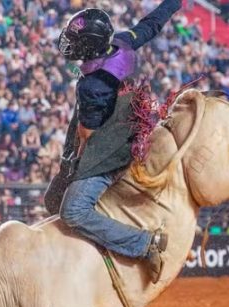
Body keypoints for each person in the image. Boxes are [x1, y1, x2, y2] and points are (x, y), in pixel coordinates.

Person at [48, 0, 181, 282]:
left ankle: (145, 245)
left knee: (71, 211)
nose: (70, 44)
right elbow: (150, 25)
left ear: (90, 46)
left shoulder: (92, 85)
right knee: (57, 197)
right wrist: (173, 3)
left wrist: (72, 167)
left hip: (112, 149)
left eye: (76, 40)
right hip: (132, 127)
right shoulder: (122, 43)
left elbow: (87, 137)